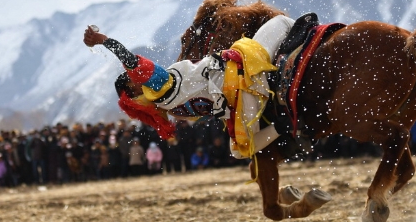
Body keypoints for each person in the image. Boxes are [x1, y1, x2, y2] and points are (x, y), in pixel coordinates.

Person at [83, 15, 296, 160]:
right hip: (240, 69)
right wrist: (104, 40)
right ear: (132, 88)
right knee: (282, 22)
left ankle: (283, 125)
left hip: (244, 101)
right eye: (131, 78)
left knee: (241, 150)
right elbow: (129, 60)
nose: (134, 75)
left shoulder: (171, 110)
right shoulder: (157, 86)